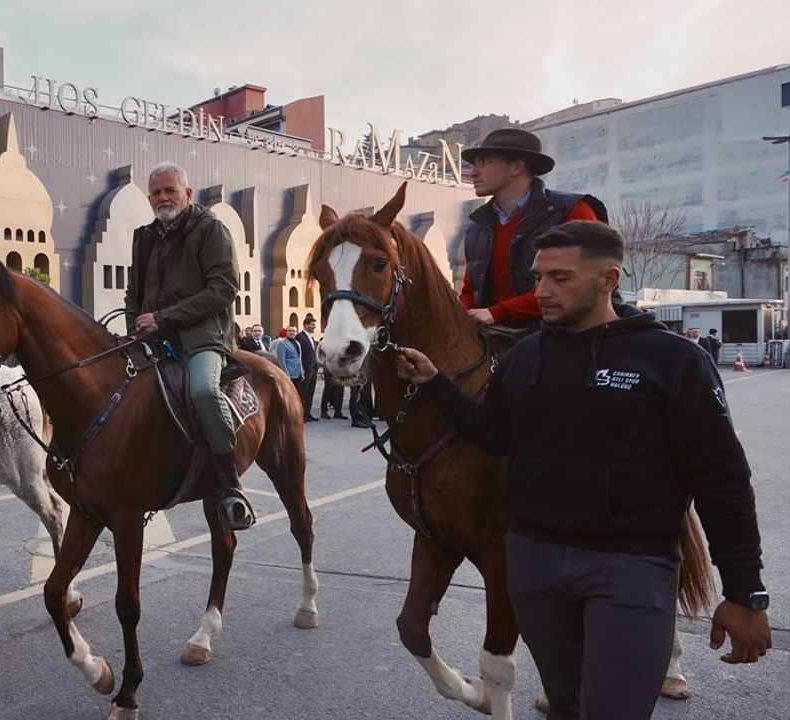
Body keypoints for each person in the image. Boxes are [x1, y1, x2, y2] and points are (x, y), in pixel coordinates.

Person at [395, 221, 770, 720]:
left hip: (630, 568)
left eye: (560, 278)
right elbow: (493, 436)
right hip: (535, 569)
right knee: (566, 706)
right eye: (538, 277)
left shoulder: (672, 359)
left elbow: (721, 479)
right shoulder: (525, 355)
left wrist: (745, 592)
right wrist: (437, 383)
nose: (542, 292)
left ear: (607, 279)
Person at [126, 161, 253, 531]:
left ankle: (230, 484)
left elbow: (223, 290)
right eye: (156, 192)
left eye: (170, 190)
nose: (163, 198)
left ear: (188, 194)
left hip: (203, 336)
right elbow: (134, 292)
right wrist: (135, 325)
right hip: (151, 335)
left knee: (202, 390)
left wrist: (164, 318)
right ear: (149, 198)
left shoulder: (211, 229)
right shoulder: (144, 236)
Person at [459, 128, 607, 328]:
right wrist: (466, 318)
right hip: (497, 335)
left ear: (516, 166)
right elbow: (470, 290)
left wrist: (497, 313)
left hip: (568, 334)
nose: (473, 172)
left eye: (485, 162)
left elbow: (585, 285)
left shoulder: (572, 210)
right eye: (474, 164)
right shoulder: (478, 227)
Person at [294, 315, 319, 421]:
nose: (314, 327)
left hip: (313, 368)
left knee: (310, 392)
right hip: (305, 369)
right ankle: (301, 414)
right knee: (303, 393)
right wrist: (302, 369)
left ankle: (308, 412)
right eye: (312, 325)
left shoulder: (311, 337)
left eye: (314, 325)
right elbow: (299, 354)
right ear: (306, 325)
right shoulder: (300, 337)